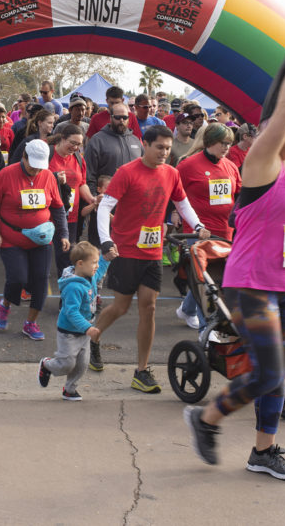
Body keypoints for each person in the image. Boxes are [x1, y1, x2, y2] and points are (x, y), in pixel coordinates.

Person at [183, 56, 285, 481]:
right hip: (251, 285)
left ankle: (263, 452)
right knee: (270, 371)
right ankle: (206, 419)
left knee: (282, 373)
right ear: (278, 133)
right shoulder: (263, 163)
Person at [92, 125, 211, 393]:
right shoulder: (127, 172)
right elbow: (105, 207)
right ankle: (94, 337)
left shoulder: (171, 173)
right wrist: (106, 240)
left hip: (153, 251)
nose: (164, 153)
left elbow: (182, 204)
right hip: (125, 250)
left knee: (149, 306)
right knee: (121, 307)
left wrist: (198, 224)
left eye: (168, 149)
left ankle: (141, 370)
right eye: (159, 147)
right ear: (145, 145)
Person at [0, 139, 69, 341]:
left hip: (42, 239)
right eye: (32, 166)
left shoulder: (48, 177)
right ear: (24, 157)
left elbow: (58, 207)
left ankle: (31, 323)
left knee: (41, 279)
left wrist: (64, 234)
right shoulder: (6, 174)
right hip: (11, 237)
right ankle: (5, 304)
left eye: (39, 167)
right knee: (18, 278)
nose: (35, 171)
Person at [173, 123, 240, 329]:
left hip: (224, 230)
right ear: (210, 142)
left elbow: (238, 194)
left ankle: (187, 309)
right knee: (203, 278)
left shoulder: (230, 166)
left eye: (229, 144)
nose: (227, 147)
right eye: (223, 143)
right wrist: (173, 214)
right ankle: (207, 328)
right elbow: (174, 192)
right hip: (198, 231)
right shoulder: (188, 165)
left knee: (214, 278)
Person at [38, 241, 110, 401]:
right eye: (94, 262)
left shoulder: (89, 276)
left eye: (97, 262)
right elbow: (71, 312)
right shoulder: (73, 287)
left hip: (84, 332)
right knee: (67, 363)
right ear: (80, 263)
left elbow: (100, 272)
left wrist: (107, 259)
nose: (96, 266)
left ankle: (69, 389)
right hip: (69, 332)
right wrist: (88, 328)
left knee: (81, 365)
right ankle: (47, 364)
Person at [84, 103, 142, 245]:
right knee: (100, 252)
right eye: (117, 117)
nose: (121, 120)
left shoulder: (135, 141)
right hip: (104, 205)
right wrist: (94, 200)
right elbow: (88, 174)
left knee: (125, 251)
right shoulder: (97, 140)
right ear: (110, 118)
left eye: (124, 117)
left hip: (130, 208)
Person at [47, 123, 98, 276]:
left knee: (67, 254)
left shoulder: (78, 159)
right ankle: (30, 287)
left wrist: (92, 200)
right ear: (62, 139)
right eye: (72, 143)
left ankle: (67, 290)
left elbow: (82, 183)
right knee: (43, 254)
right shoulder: (49, 155)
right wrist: (55, 178)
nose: (75, 148)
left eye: (79, 145)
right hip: (48, 215)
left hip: (70, 215)